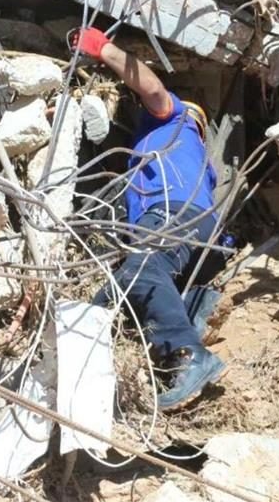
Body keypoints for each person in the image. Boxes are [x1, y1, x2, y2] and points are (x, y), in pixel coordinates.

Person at [74, 27, 226, 410]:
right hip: (202, 235)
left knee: (140, 271)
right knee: (108, 299)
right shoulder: (197, 163)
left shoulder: (173, 123)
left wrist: (103, 48)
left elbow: (154, 91)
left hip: (174, 214)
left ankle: (190, 356)